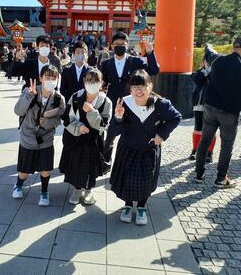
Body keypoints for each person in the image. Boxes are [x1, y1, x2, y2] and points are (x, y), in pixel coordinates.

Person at [109, 70, 181, 225]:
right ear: (130, 89)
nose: (139, 90)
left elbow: (176, 117)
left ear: (150, 86)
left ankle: (141, 207)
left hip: (149, 149)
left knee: (146, 179)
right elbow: (114, 131)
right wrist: (118, 117)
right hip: (128, 148)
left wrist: (161, 134)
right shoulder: (124, 103)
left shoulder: (161, 104)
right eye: (135, 87)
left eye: (143, 86)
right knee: (127, 179)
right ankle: (127, 205)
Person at [194, 36, 241, 188]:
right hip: (229, 112)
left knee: (204, 140)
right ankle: (221, 178)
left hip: (209, 107)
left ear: (234, 47)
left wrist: (208, 45)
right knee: (227, 145)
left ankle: (199, 174)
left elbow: (208, 51)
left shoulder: (218, 60)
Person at [102, 31, 160, 172]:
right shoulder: (106, 64)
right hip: (114, 104)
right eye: (116, 44)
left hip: (133, 103)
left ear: (127, 45)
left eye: (122, 44)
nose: (119, 46)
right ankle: (105, 162)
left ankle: (127, 164)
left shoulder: (135, 61)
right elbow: (103, 82)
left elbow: (154, 70)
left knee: (130, 135)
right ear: (111, 46)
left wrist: (150, 53)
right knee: (110, 135)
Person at [13, 65, 66, 206]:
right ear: (41, 78)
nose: (50, 81)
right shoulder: (29, 91)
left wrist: (47, 123)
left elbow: (59, 119)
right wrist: (28, 96)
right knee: (24, 170)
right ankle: (18, 184)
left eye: (53, 78)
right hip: (28, 136)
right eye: (47, 77)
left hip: (46, 138)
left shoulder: (59, 99)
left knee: (45, 169)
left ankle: (44, 191)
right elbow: (18, 111)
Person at [60, 68, 112, 205]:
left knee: (91, 167)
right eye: (89, 80)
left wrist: (92, 112)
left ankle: (89, 190)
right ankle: (77, 190)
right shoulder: (76, 96)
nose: (92, 83)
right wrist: (78, 128)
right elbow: (66, 118)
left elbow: (104, 125)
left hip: (94, 140)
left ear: (101, 83)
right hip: (76, 138)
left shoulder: (106, 102)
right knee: (75, 164)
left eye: (96, 81)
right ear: (84, 82)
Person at [190, 44, 220, 163]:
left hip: (212, 105)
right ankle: (195, 150)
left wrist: (213, 71)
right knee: (198, 128)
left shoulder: (218, 73)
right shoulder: (199, 72)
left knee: (211, 130)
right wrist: (206, 70)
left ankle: (209, 153)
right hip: (199, 105)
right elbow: (197, 80)